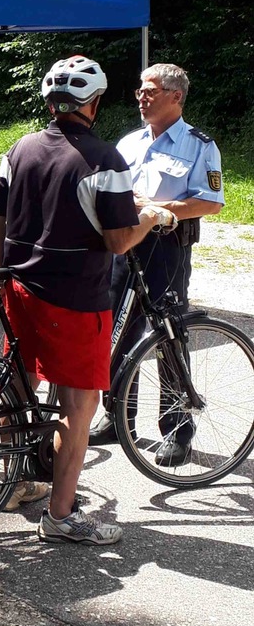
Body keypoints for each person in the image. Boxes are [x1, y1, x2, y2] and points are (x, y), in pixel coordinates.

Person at [0, 56, 177, 545]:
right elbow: (117, 241)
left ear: (50, 102)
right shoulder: (104, 158)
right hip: (75, 297)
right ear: (93, 103)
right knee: (79, 408)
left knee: (19, 388)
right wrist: (152, 218)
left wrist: (5, 271)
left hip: (20, 289)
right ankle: (62, 515)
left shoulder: (19, 149)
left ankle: (15, 481)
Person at [89, 63, 224, 464]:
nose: (142, 98)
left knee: (167, 335)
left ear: (176, 96)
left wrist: (155, 208)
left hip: (166, 248)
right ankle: (117, 417)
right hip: (124, 245)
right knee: (116, 330)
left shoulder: (200, 145)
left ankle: (178, 427)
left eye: (151, 91)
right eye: (139, 91)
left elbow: (210, 203)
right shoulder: (129, 142)